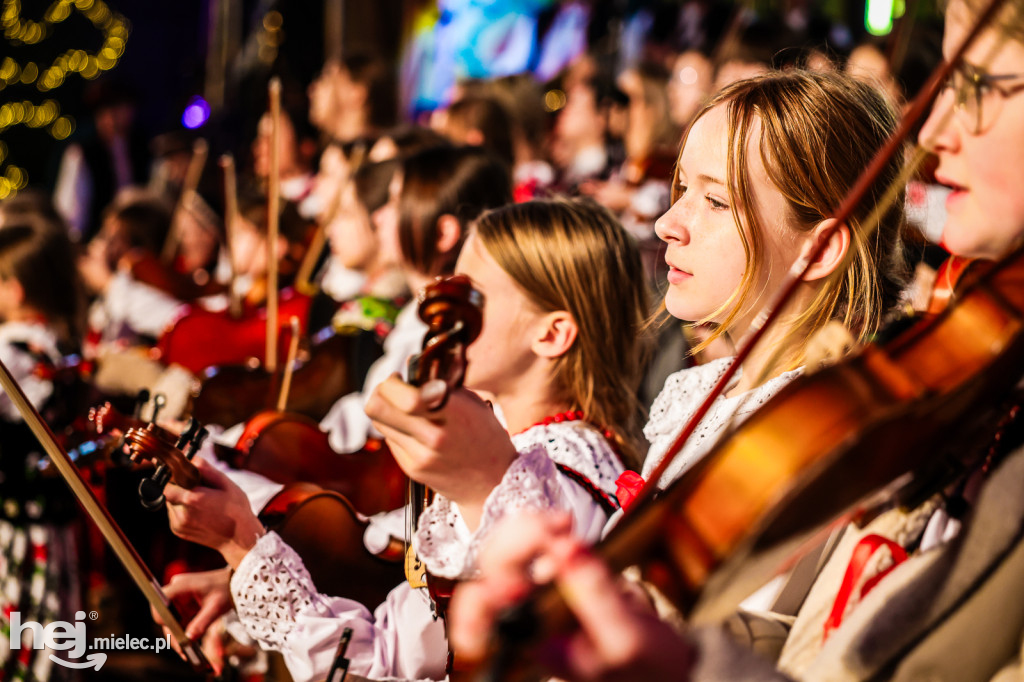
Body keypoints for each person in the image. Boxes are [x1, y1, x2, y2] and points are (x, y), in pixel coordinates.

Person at [453, 3, 1024, 680]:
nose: (668, 223)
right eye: (680, 191)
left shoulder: (814, 440)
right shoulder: (723, 401)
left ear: (820, 252)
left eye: (716, 202)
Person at [156, 196, 649, 681]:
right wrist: (244, 566)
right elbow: (392, 646)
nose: (433, 311)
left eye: (468, 294)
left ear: (551, 334)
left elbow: (386, 663)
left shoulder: (542, 489)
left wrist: (242, 543)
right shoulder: (535, 460)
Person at [0, 210, 87, 682]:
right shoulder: (60, 346)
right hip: (53, 526)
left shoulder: (10, 351)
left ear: (15, 290)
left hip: (15, 527)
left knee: (17, 639)